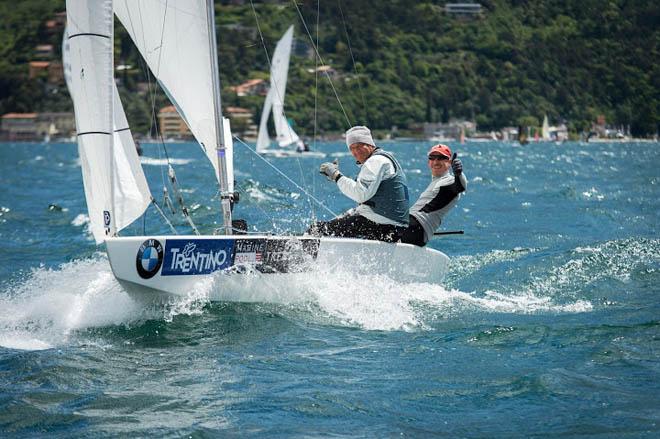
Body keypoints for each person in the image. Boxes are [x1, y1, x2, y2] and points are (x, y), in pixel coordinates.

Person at [307, 125, 409, 242]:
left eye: (359, 146)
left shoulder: (376, 161)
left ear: (370, 144)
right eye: (352, 148)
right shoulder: (382, 159)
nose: (356, 151)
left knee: (316, 230)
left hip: (383, 227)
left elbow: (360, 194)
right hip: (391, 228)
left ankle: (302, 257)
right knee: (331, 225)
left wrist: (336, 176)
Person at [400, 144, 467, 247]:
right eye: (432, 158)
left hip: (416, 228)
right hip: (410, 226)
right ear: (428, 162)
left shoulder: (449, 181)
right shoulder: (435, 182)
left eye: (441, 158)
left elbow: (460, 186)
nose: (436, 162)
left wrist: (458, 173)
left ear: (449, 162)